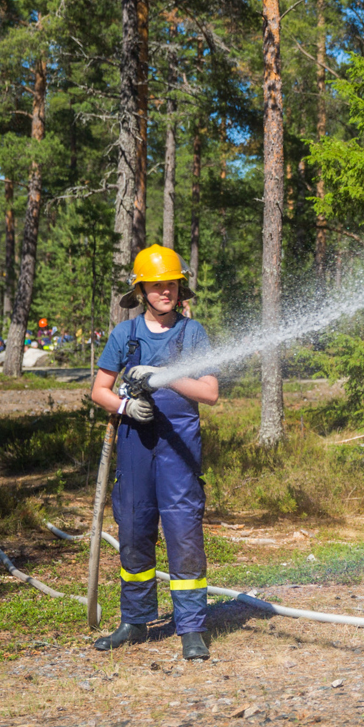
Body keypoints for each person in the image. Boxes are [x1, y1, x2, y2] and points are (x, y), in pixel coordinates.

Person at [89, 244, 219, 661]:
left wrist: (166, 377)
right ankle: (135, 619)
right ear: (141, 289)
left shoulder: (192, 333)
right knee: (134, 530)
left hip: (178, 448)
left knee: (183, 533)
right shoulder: (124, 335)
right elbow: (99, 391)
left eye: (173, 284)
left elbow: (210, 392)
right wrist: (126, 405)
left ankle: (192, 627)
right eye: (157, 284)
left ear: (181, 289)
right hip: (135, 446)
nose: (166, 291)